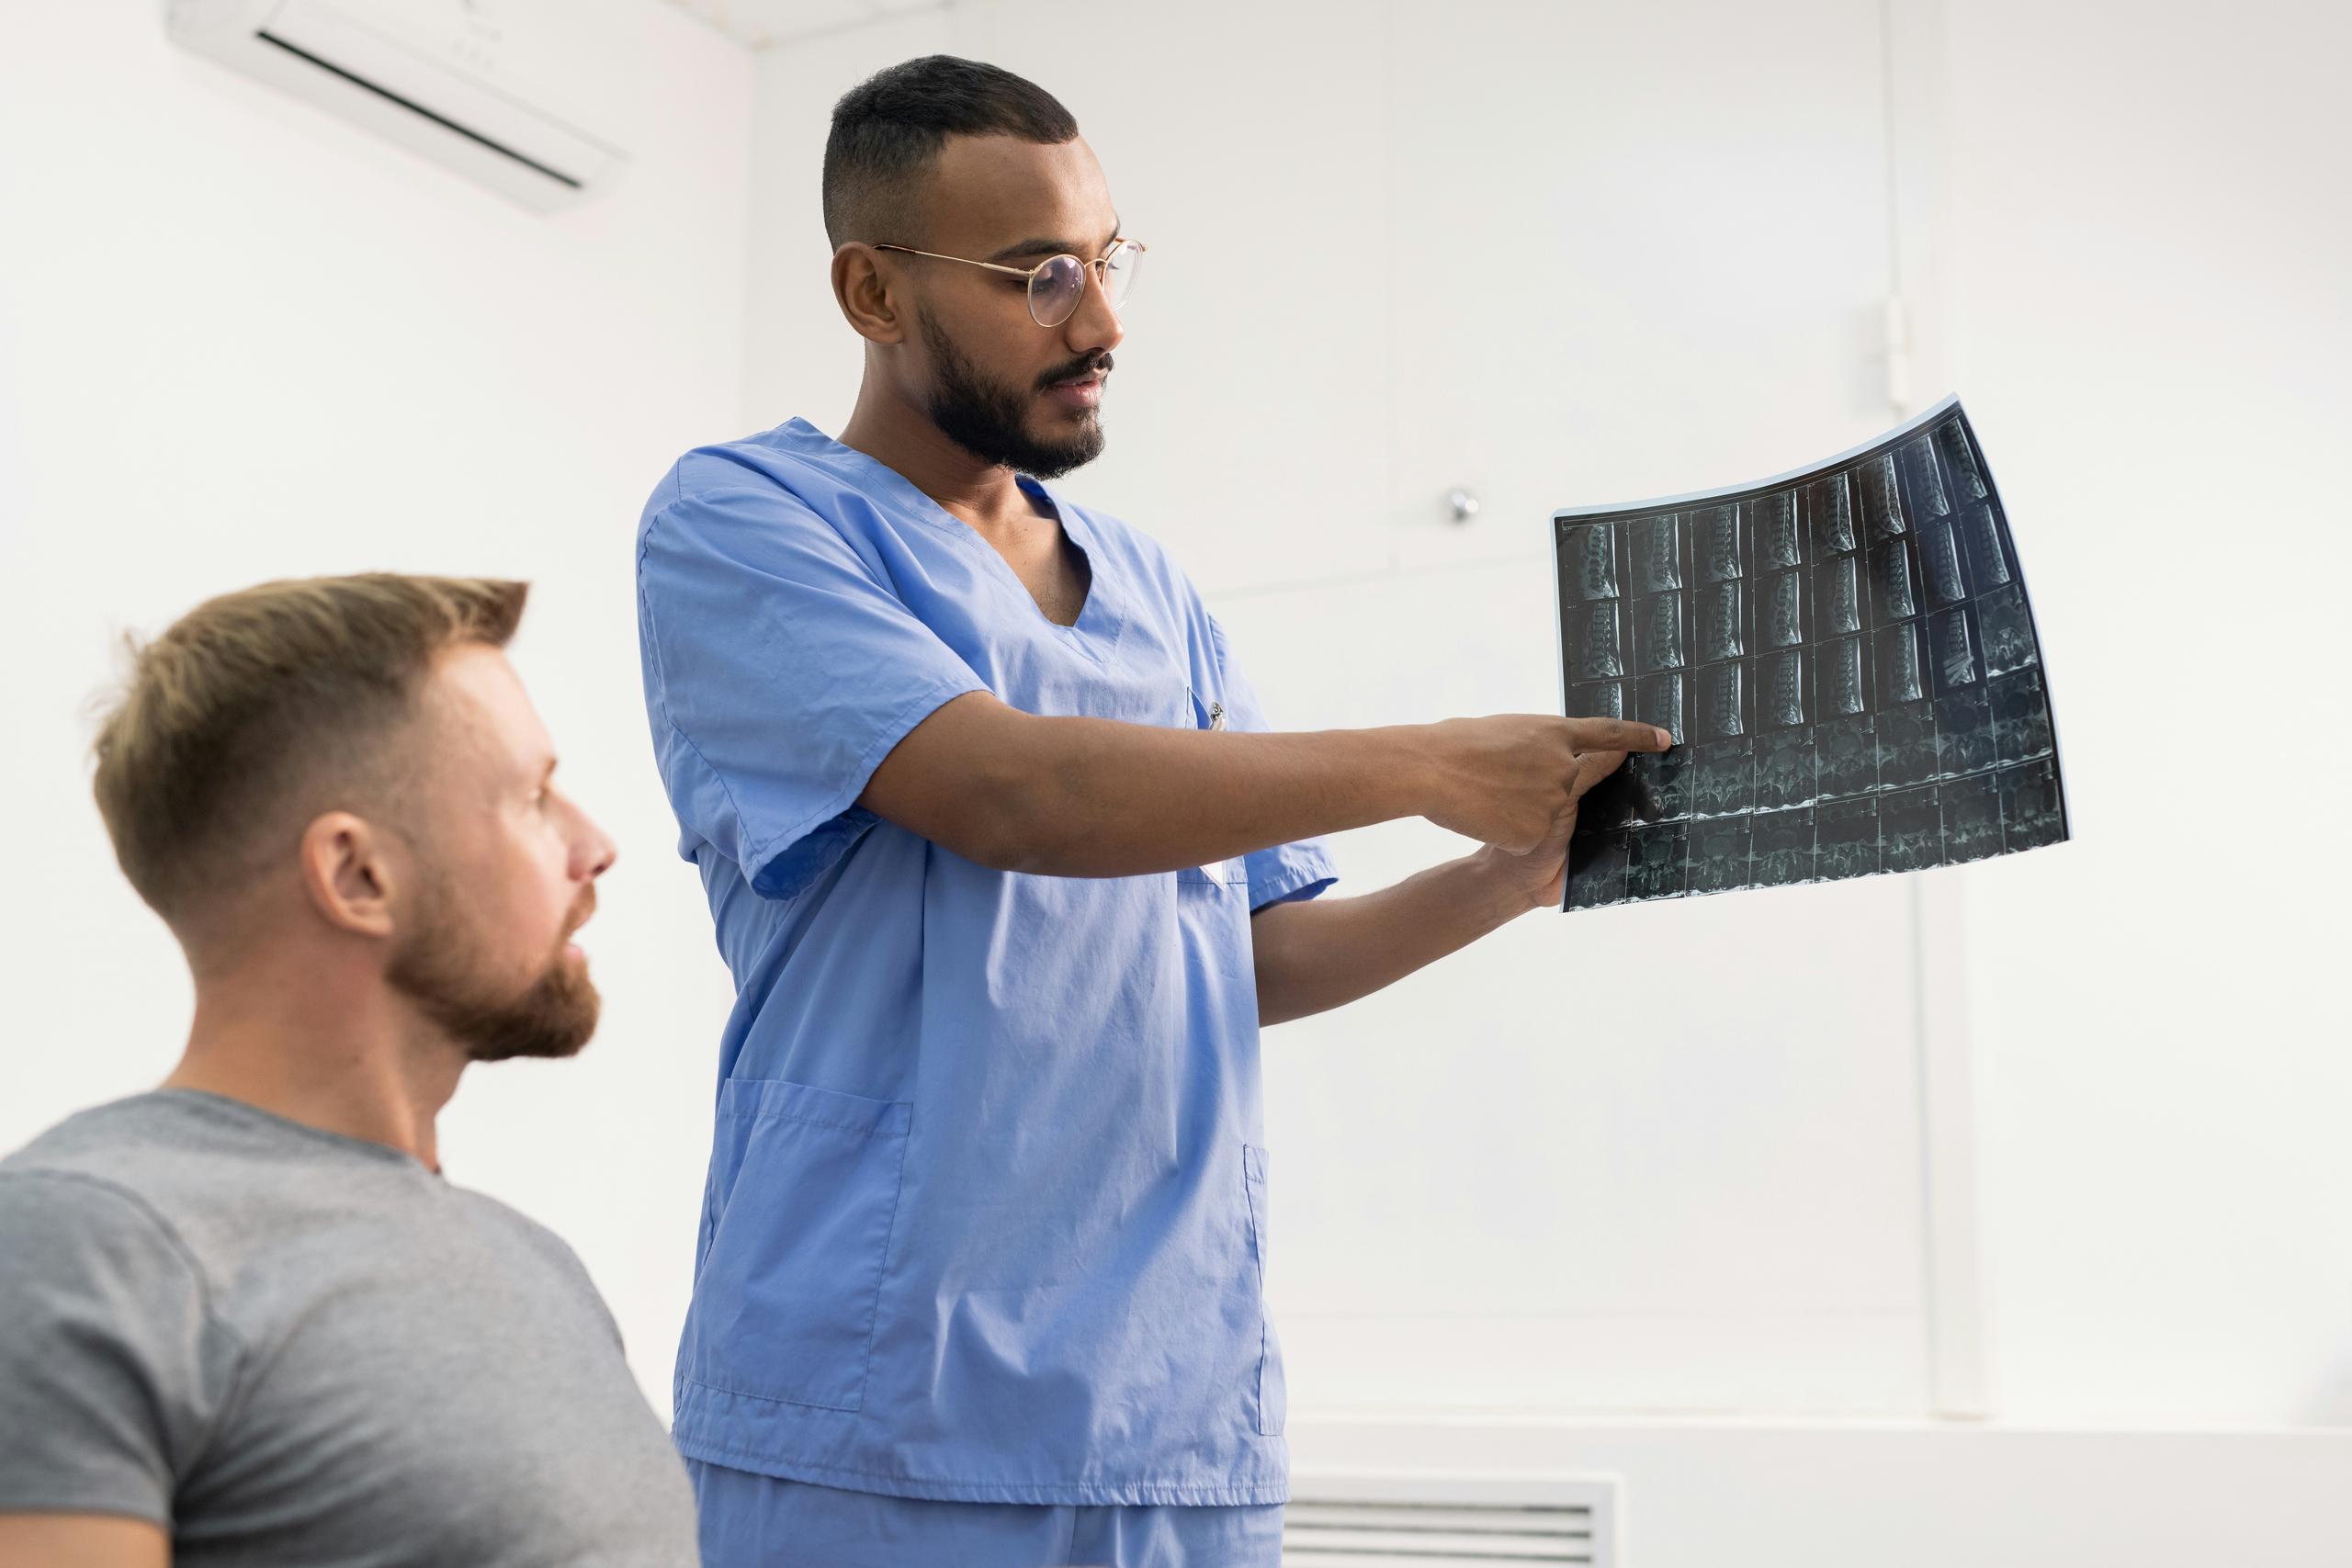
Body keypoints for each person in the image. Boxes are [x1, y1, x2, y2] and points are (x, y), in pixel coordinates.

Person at [634, 55, 1669, 1568]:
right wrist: (1428, 764)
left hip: (1172, 1426)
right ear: (872, 291)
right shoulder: (746, 522)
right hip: (881, 1420)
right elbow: (1011, 789)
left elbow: (1246, 955)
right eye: (1038, 275)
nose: (1103, 321)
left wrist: (1508, 878)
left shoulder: (1152, 587)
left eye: (1106, 262)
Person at [0, 574, 701, 1567]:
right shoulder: (79, 1241)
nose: (595, 846)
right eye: (533, 797)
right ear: (356, 875)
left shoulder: (537, 1265)